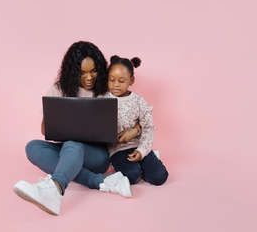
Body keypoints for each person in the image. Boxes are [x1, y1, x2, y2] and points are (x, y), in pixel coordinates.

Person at [13, 41, 132, 216]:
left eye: (93, 71)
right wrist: (54, 116)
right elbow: (45, 130)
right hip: (69, 149)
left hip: (98, 155)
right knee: (33, 147)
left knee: (73, 144)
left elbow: (122, 124)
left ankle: (54, 187)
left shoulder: (108, 89)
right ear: (73, 72)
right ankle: (98, 182)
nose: (89, 77)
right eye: (82, 73)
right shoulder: (58, 89)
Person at [104, 55, 169, 185]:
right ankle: (128, 167)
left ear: (131, 80)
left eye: (121, 81)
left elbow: (148, 127)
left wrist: (141, 151)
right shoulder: (103, 100)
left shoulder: (138, 101)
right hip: (117, 150)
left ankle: (150, 158)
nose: (116, 84)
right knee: (132, 176)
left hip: (137, 145)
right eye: (112, 80)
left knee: (159, 177)